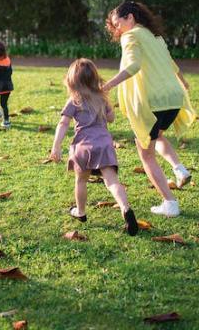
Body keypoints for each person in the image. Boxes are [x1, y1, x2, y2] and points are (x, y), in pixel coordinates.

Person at [103, 1, 196, 218]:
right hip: (173, 99)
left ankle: (170, 203)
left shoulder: (131, 36)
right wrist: (183, 82)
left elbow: (133, 66)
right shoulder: (155, 37)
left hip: (152, 102)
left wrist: (107, 85)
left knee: (146, 154)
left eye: (119, 23)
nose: (117, 29)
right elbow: (171, 63)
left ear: (131, 18)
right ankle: (179, 169)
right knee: (157, 135)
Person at [50, 58, 138, 236]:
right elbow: (111, 119)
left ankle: (80, 212)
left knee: (81, 180)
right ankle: (125, 208)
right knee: (112, 181)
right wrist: (109, 107)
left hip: (83, 146)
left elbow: (63, 123)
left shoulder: (74, 100)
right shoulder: (101, 98)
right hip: (104, 144)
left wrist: (56, 146)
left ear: (72, 81)